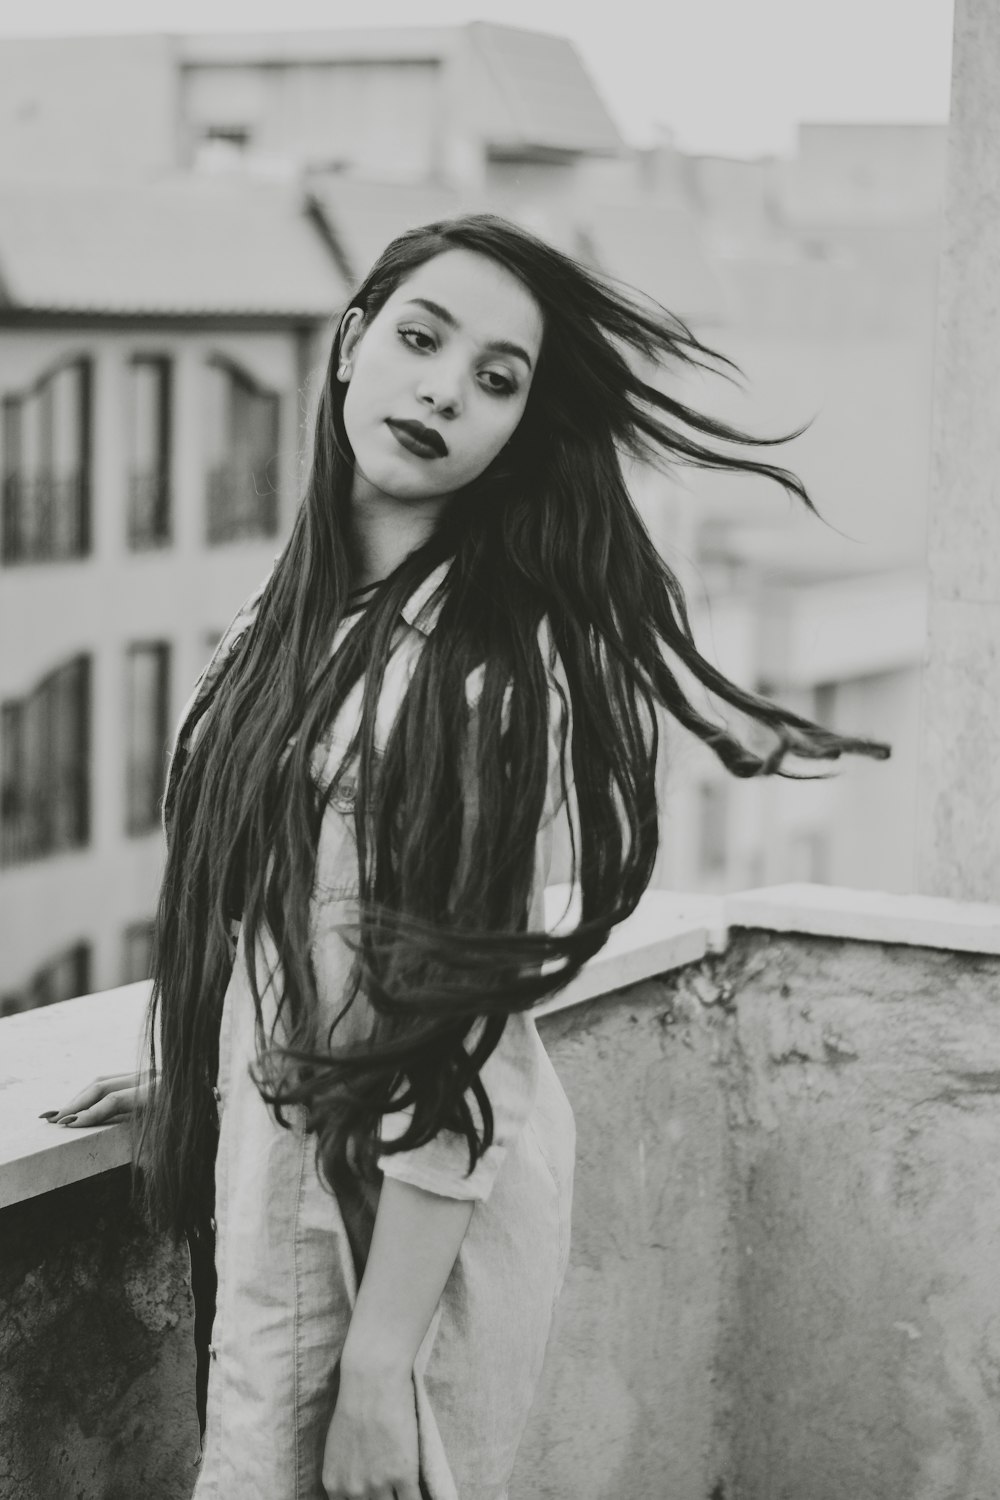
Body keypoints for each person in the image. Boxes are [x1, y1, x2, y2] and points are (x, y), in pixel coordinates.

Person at [45, 213, 889, 1499]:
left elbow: (461, 1039)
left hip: (405, 1264)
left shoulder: (479, 673)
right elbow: (283, 927)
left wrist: (384, 1374)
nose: (444, 387)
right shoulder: (277, 629)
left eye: (496, 379)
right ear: (349, 346)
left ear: (512, 434)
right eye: (421, 339)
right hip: (278, 1195)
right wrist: (202, 1082)